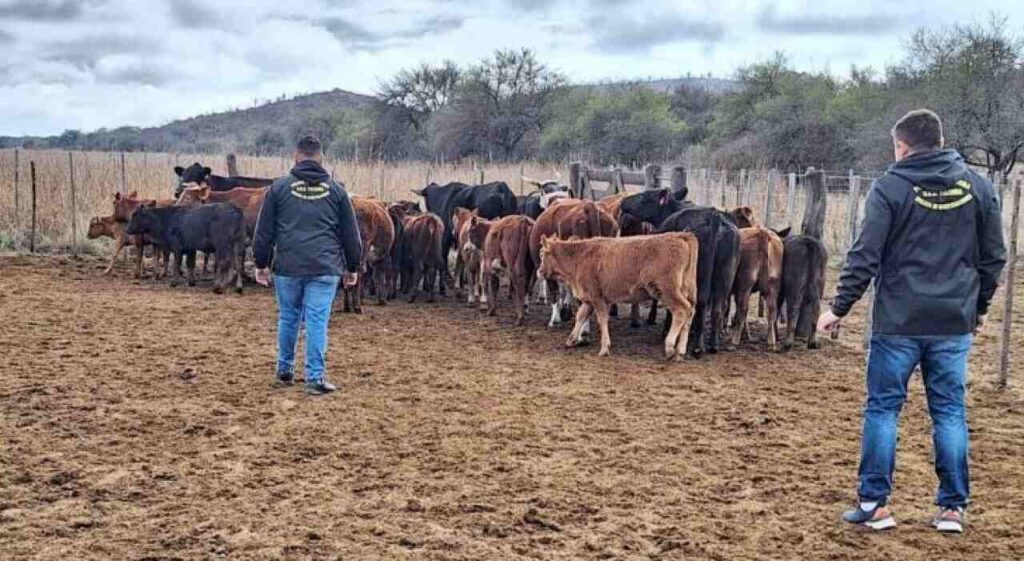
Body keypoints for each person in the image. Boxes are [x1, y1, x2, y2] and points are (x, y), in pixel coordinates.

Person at [817, 109, 1006, 533]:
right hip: (953, 322)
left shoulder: (890, 188)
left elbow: (865, 255)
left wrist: (839, 308)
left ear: (902, 146)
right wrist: (977, 309)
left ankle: (874, 504)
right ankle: (952, 509)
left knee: (883, 409)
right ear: (940, 141)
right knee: (950, 412)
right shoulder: (979, 187)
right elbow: (994, 257)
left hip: (898, 322)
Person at [253, 136, 363, 396]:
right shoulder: (337, 191)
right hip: (325, 267)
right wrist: (353, 266)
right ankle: (315, 378)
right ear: (320, 158)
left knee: (288, 316)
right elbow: (351, 234)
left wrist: (261, 263)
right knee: (317, 320)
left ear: (296, 156)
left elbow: (263, 232)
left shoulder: (278, 189)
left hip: (288, 266)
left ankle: (284, 371)